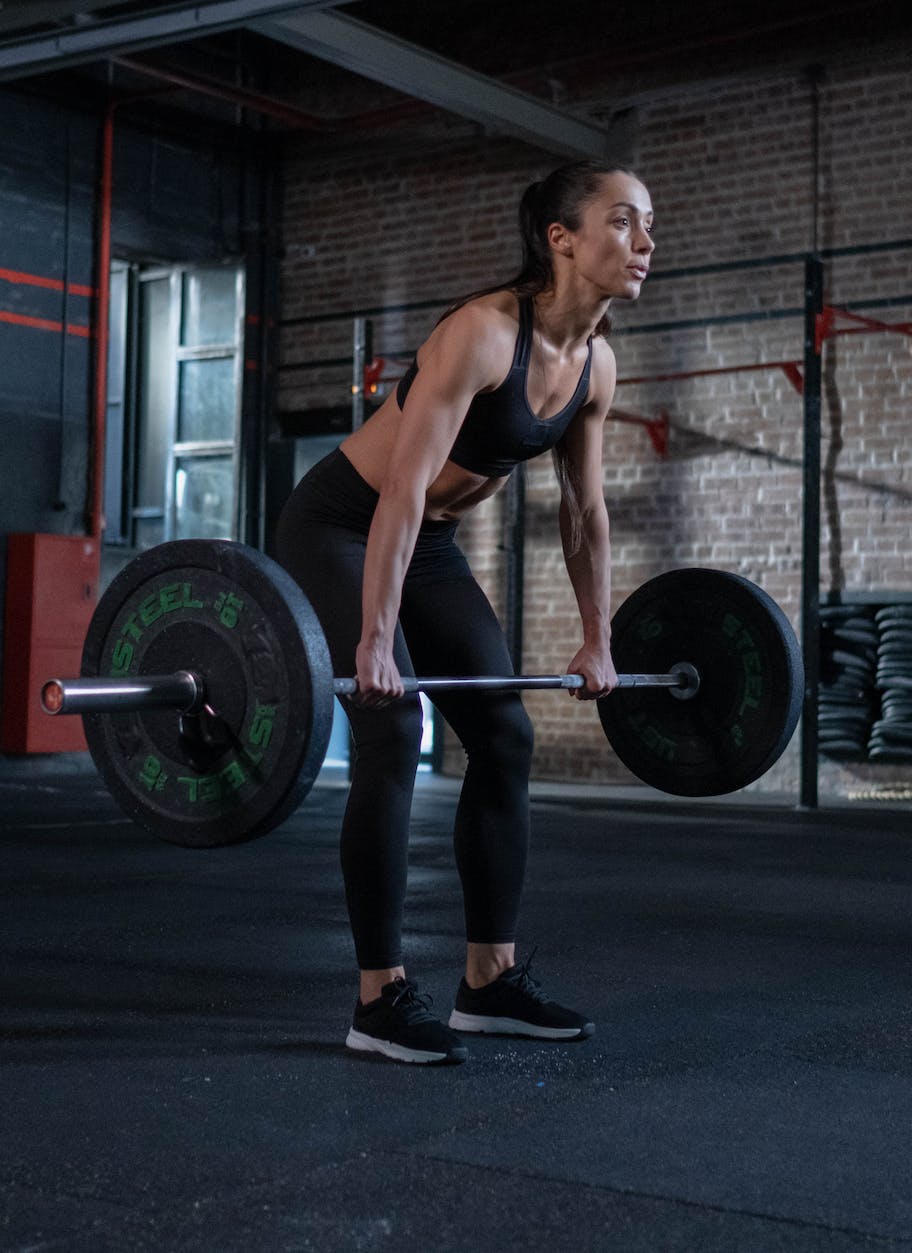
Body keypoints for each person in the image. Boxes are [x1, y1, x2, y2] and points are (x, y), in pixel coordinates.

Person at [273, 162, 654, 1065]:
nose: (644, 242)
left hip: (428, 543)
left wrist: (599, 636)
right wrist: (373, 638)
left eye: (649, 226)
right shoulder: (481, 335)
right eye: (622, 222)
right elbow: (401, 489)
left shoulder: (596, 362)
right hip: (341, 522)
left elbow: (583, 510)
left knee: (505, 735)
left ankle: (488, 980)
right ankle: (379, 996)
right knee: (391, 720)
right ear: (561, 238)